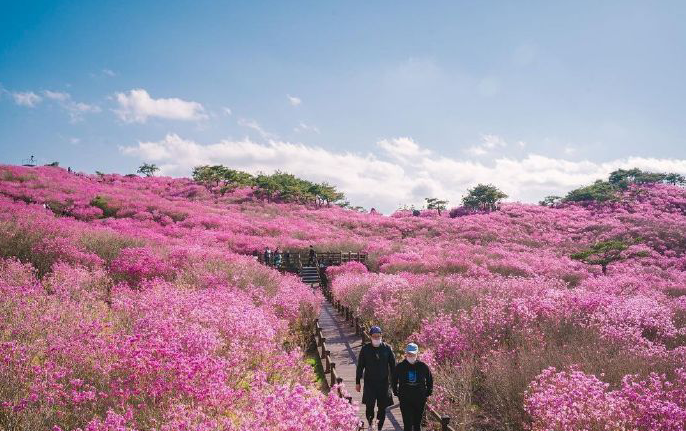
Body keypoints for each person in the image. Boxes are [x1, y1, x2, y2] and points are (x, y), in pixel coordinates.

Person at [356, 326, 395, 431]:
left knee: (382, 408)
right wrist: (357, 382)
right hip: (370, 383)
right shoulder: (365, 349)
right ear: (370, 337)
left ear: (381, 336)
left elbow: (393, 367)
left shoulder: (387, 348)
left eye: (378, 336)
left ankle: (379, 427)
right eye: (374, 336)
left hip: (384, 383)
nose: (376, 338)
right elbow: (360, 366)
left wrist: (394, 383)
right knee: (369, 406)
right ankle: (370, 424)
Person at [391, 343, 433, 431]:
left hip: (419, 399)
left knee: (417, 424)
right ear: (406, 353)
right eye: (409, 354)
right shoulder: (400, 366)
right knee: (407, 424)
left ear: (417, 354)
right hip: (405, 399)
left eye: (413, 354)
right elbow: (394, 380)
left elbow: (429, 380)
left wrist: (428, 392)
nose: (411, 356)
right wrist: (396, 392)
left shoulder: (423, 366)